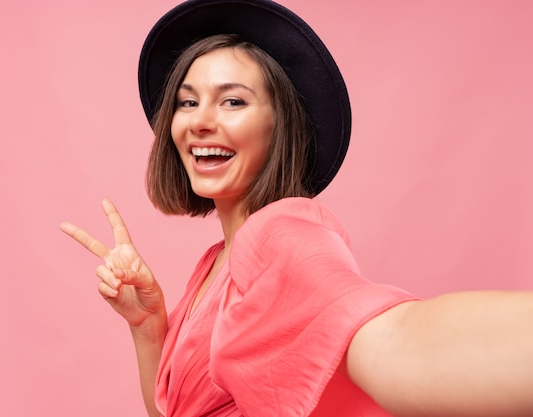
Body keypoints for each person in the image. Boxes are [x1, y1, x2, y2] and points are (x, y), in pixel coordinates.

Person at [59, 0, 533, 416]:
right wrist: (147, 325)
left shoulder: (282, 234)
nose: (201, 121)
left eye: (232, 101)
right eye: (187, 102)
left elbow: (392, 338)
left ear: (279, 125)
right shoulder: (213, 264)